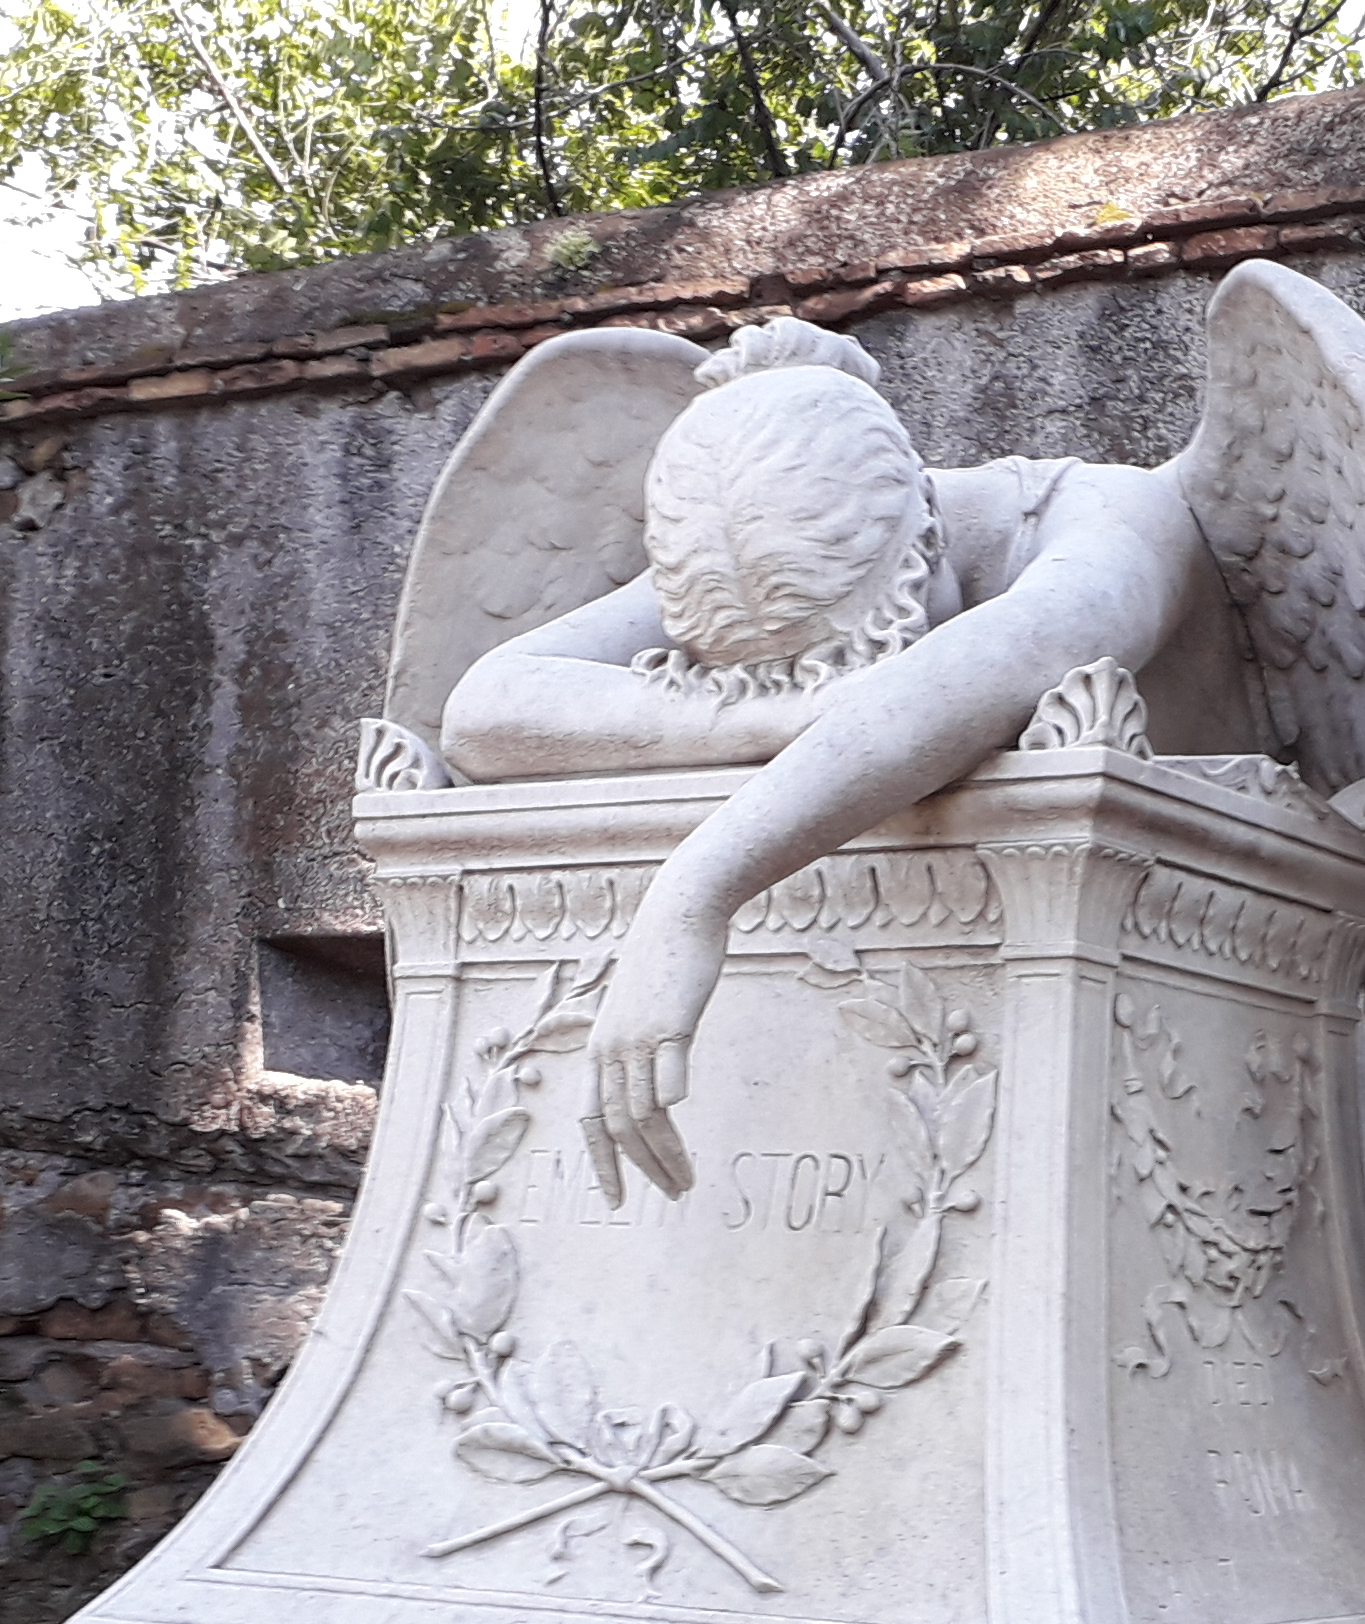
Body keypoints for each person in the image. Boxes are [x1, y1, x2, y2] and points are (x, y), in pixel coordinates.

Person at [439, 320, 1257, 1202]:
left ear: (928, 531)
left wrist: (692, 894)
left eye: (858, 659)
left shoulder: (1115, 520)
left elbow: (984, 671)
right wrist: (792, 709)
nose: (833, 704)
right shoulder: (753, 536)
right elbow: (485, 710)